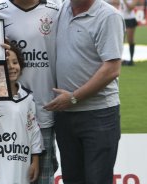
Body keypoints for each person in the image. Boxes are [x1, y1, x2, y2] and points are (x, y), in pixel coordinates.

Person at [44, 0, 125, 183]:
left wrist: (73, 98)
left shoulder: (108, 16)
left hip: (98, 115)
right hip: (65, 114)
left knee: (97, 179)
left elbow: (112, 69)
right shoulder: (62, 9)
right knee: (72, 179)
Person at [0, 0, 60, 183]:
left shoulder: (57, 10)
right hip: (5, 114)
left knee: (42, 176)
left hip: (45, 110)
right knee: (7, 175)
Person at [0, 42, 43, 184]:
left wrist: (35, 160)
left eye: (15, 62)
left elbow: (33, 130)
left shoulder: (28, 98)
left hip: (20, 161)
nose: (11, 67)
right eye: (6, 63)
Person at [119, 0, 139, 66]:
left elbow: (130, 8)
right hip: (121, 19)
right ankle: (119, 59)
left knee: (130, 40)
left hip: (130, 19)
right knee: (120, 40)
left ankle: (131, 60)